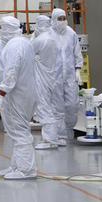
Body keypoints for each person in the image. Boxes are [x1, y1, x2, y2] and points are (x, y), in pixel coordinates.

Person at [0, 16, 38, 180]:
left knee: (20, 131)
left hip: (17, 95)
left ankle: (27, 170)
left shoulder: (15, 45)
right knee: (15, 131)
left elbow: (12, 71)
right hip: (20, 93)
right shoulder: (21, 43)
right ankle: (16, 166)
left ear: (9, 29)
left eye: (3, 27)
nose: (1, 31)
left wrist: (2, 93)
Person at [31, 14, 64, 149]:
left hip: (42, 78)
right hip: (52, 76)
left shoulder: (40, 40)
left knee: (44, 107)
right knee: (51, 107)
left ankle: (50, 140)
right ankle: (55, 137)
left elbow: (27, 53)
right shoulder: (53, 38)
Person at [51, 8, 82, 142]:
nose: (63, 21)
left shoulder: (71, 34)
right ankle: (60, 136)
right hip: (54, 77)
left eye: (64, 18)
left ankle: (69, 130)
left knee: (72, 104)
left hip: (70, 76)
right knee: (57, 108)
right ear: (53, 20)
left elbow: (77, 53)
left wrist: (78, 70)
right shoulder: (48, 34)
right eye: (60, 19)